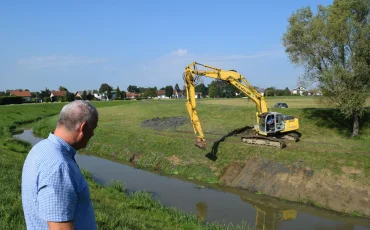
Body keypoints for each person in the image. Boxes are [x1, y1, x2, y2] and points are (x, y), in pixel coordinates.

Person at [22, 100, 99, 230]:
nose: (92, 134)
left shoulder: (41, 148)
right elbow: (60, 227)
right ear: (83, 128)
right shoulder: (58, 166)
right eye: (93, 128)